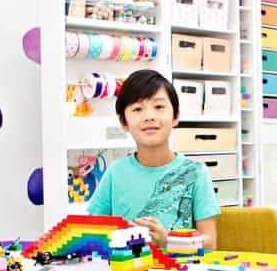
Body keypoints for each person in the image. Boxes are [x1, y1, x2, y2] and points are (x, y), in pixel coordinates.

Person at [88, 69, 219, 249]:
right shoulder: (116, 172)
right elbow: (92, 231)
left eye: (159, 107)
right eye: (137, 109)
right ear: (124, 122)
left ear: (176, 116)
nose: (149, 116)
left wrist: (168, 241)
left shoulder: (196, 172)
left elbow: (210, 242)